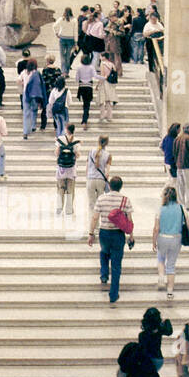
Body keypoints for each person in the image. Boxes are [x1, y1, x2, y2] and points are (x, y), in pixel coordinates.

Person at [88, 175, 133, 304]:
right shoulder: (125, 200)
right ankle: (113, 294)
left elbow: (95, 217)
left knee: (104, 251)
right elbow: (129, 220)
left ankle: (103, 274)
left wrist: (91, 233)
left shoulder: (101, 198)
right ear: (121, 187)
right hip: (118, 234)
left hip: (104, 233)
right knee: (116, 265)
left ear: (109, 186)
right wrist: (131, 235)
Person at [131, 306, 173, 377]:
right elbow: (170, 331)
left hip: (147, 362)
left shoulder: (143, 335)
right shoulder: (160, 331)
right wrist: (167, 321)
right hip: (159, 360)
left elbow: (142, 350)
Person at [152, 185, 186, 301]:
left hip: (163, 237)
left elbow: (156, 228)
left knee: (161, 259)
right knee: (171, 265)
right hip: (176, 238)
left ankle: (161, 277)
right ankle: (170, 292)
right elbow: (188, 225)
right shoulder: (181, 208)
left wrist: (154, 241)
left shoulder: (160, 209)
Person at [54, 123, 79, 216]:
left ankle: (59, 208)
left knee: (60, 188)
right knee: (70, 189)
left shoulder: (60, 139)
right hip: (71, 168)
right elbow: (78, 155)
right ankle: (69, 209)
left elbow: (56, 153)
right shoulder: (76, 141)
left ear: (66, 129)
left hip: (61, 169)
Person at [21, 58, 47, 137]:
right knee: (34, 111)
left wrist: (24, 84)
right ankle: (33, 126)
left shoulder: (24, 72)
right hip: (35, 95)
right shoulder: (36, 73)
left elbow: (18, 81)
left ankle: (26, 131)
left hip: (26, 93)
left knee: (26, 112)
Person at [73, 52, 97, 129]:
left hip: (82, 87)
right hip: (89, 86)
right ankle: (84, 120)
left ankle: (84, 120)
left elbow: (77, 78)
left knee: (85, 103)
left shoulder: (79, 67)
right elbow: (95, 76)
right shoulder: (91, 67)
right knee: (87, 104)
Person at [86, 136, 111, 211]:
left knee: (91, 204)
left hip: (90, 179)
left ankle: (92, 221)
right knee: (100, 204)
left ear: (98, 141)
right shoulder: (108, 155)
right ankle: (100, 220)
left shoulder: (91, 152)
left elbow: (87, 168)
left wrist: (88, 177)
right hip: (101, 180)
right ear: (107, 143)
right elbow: (107, 173)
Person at [54, 7, 76, 75]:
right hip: (71, 39)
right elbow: (75, 31)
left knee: (62, 56)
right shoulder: (74, 20)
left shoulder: (61, 19)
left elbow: (54, 26)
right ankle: (67, 71)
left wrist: (56, 33)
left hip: (62, 38)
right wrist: (76, 41)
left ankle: (63, 71)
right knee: (68, 56)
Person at [39, 56, 59, 130]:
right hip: (55, 92)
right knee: (54, 108)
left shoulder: (45, 70)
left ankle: (43, 125)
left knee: (45, 108)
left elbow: (43, 81)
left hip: (47, 91)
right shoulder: (57, 69)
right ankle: (56, 125)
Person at [96, 53, 117, 124]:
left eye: (101, 56)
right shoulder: (112, 64)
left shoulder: (103, 64)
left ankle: (102, 116)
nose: (100, 57)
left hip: (104, 83)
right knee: (108, 101)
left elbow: (102, 75)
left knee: (102, 100)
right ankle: (109, 116)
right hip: (110, 84)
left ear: (104, 57)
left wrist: (98, 84)